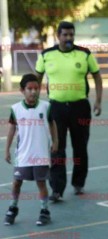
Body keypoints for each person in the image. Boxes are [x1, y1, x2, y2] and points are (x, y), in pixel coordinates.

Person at [34, 21, 102, 201]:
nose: (69, 38)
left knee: (80, 147)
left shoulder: (84, 54)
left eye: (71, 34)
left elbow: (97, 75)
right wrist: (34, 100)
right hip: (56, 108)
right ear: (58, 36)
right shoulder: (47, 55)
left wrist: (98, 101)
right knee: (57, 148)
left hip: (80, 107)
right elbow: (37, 77)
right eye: (65, 35)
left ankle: (78, 183)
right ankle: (57, 189)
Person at [4, 74, 58, 226]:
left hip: (40, 153)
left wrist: (56, 141)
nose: (33, 92)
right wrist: (7, 149)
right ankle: (13, 208)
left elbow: (52, 124)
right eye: (30, 89)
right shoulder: (16, 109)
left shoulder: (46, 106)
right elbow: (12, 129)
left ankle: (44, 211)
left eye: (36, 88)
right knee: (16, 183)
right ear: (22, 90)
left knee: (41, 183)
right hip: (23, 154)